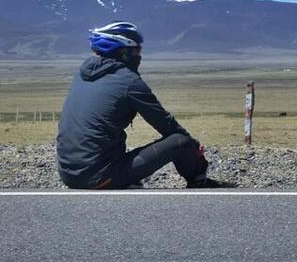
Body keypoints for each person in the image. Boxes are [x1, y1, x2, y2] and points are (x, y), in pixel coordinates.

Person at [56, 21, 227, 189]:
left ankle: (123, 180)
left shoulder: (81, 76)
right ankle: (199, 181)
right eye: (137, 49)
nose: (139, 55)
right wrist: (194, 148)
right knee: (180, 141)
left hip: (68, 175)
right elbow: (166, 124)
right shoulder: (129, 81)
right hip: (98, 177)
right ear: (123, 52)